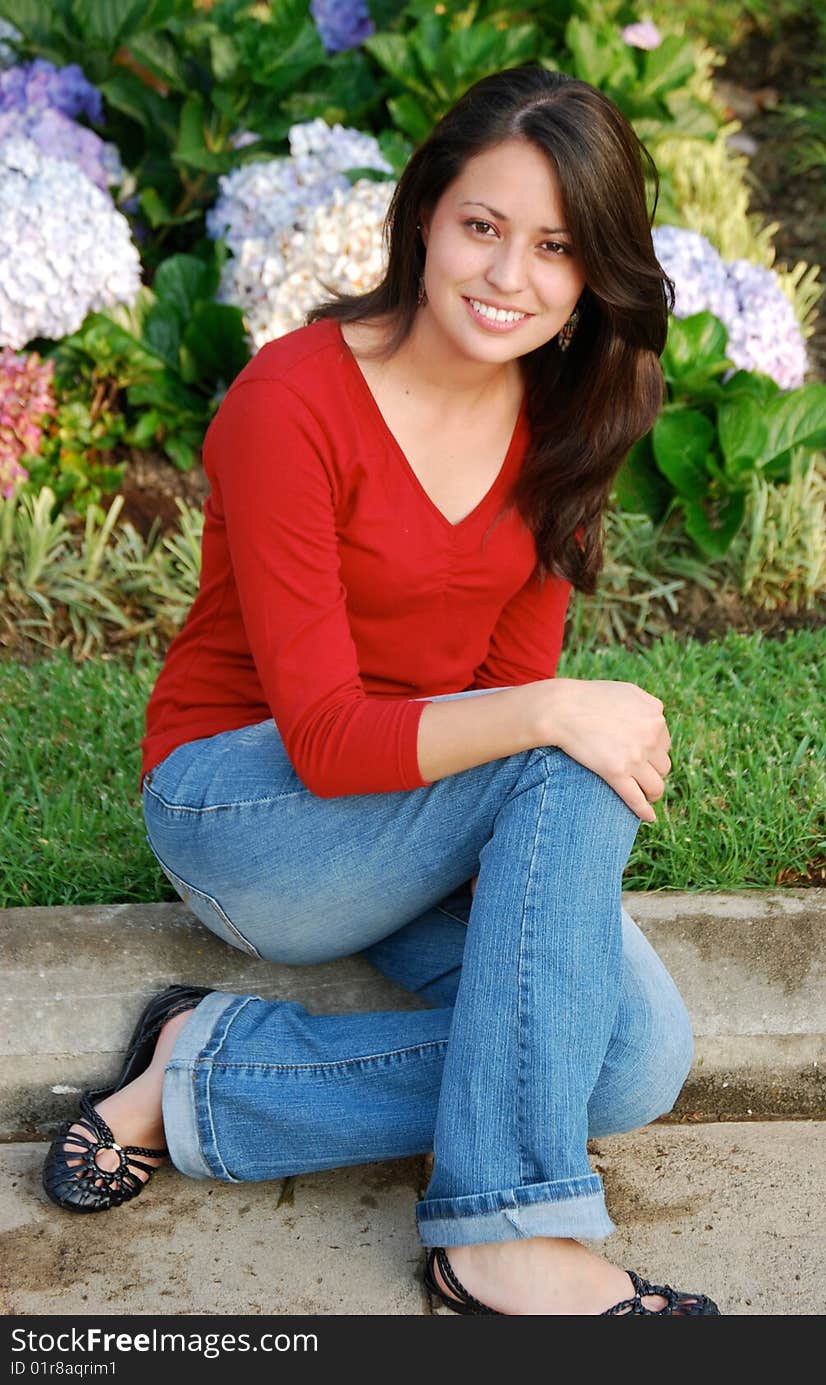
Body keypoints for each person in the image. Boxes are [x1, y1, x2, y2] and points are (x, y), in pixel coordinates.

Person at [43, 65, 720, 1317]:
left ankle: (202, 1072)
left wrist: (537, 782)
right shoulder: (290, 404)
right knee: (568, 738)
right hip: (246, 807)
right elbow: (332, 735)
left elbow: (510, 690)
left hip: (411, 811)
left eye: (556, 248)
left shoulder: (562, 427)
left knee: (632, 1057)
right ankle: (502, 1237)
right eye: (483, 226)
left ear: (589, 280)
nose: (508, 276)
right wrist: (555, 719)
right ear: (422, 219)